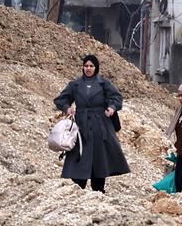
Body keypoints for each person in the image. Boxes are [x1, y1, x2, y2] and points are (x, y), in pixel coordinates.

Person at [53, 54, 131, 192]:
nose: (88, 68)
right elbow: (61, 99)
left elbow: (116, 97)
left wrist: (112, 108)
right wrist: (67, 108)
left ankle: (99, 189)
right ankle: (78, 188)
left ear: (96, 67)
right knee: (79, 155)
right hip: (81, 126)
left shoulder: (104, 83)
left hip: (100, 125)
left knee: (99, 157)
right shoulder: (75, 84)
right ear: (83, 67)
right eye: (86, 66)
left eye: (91, 66)